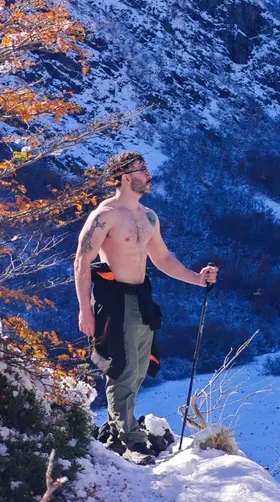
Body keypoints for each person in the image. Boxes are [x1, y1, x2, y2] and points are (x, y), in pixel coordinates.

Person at [74, 150, 218, 465]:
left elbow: (162, 258)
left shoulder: (149, 216)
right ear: (126, 177)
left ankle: (117, 431)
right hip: (114, 299)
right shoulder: (104, 216)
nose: (149, 175)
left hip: (141, 296)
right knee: (123, 370)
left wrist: (197, 279)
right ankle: (132, 442)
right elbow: (82, 261)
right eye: (142, 170)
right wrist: (85, 309)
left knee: (138, 369)